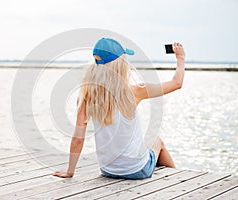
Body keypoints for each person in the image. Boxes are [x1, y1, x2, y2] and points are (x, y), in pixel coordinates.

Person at [53, 38, 185, 179]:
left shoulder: (86, 96)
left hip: (108, 170)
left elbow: (78, 138)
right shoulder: (134, 92)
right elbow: (176, 83)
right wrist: (180, 58)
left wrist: (70, 171)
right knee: (157, 141)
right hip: (138, 170)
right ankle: (178, 179)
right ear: (120, 65)